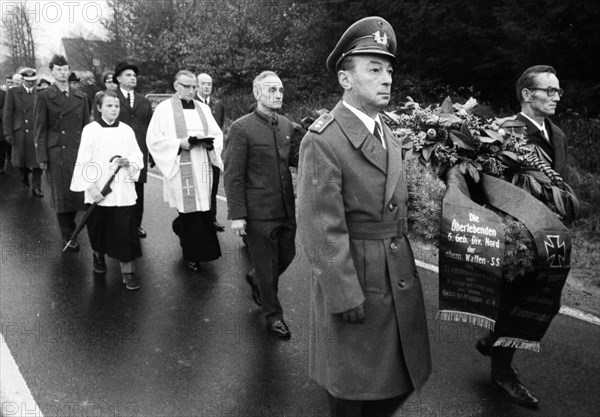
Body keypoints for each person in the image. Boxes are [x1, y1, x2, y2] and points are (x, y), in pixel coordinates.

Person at [296, 17, 431, 416]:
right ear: (345, 78)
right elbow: (320, 227)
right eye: (374, 69)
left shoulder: (386, 132)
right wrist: (342, 294)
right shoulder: (324, 140)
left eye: (389, 69)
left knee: (394, 382)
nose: (387, 78)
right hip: (358, 276)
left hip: (395, 272)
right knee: (354, 389)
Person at [474, 65, 568, 408]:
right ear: (528, 95)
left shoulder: (557, 134)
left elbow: (561, 184)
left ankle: (494, 340)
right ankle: (502, 373)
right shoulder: (503, 131)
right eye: (550, 90)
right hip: (518, 232)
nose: (557, 96)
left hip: (551, 232)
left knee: (548, 298)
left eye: (558, 90)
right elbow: (490, 184)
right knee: (518, 298)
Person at [223, 70, 296, 339]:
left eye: (280, 90)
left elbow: (294, 160)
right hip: (258, 213)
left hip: (286, 209)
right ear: (257, 93)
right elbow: (233, 174)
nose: (278, 95)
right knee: (267, 268)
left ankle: (256, 279)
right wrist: (238, 215)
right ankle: (273, 315)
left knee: (288, 255)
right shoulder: (241, 128)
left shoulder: (287, 125)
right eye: (271, 90)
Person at [146, 70, 222, 271]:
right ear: (175, 86)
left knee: (204, 211)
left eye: (194, 86)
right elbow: (154, 139)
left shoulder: (203, 109)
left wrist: (210, 144)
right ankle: (191, 254)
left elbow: (217, 133)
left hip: (202, 164)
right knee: (189, 213)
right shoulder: (164, 109)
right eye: (187, 86)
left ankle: (205, 251)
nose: (191, 90)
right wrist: (180, 143)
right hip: (181, 166)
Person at [71, 90, 144, 290]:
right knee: (98, 228)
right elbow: (84, 160)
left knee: (125, 232)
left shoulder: (126, 130)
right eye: (109, 106)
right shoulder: (91, 130)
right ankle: (99, 258)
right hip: (98, 191)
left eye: (117, 106)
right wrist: (91, 187)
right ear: (99, 108)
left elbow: (138, 157)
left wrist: (129, 162)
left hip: (122, 190)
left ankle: (128, 273)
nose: (114, 109)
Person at [34, 54, 90, 251]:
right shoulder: (44, 96)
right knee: (61, 194)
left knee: (77, 193)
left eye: (65, 69)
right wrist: (41, 156)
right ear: (51, 72)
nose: (63, 73)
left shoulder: (81, 97)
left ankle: (71, 229)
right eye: (58, 69)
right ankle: (68, 235)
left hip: (77, 150)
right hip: (56, 151)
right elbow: (40, 129)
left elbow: (86, 127)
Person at [111, 63, 153, 238]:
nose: (133, 77)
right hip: (117, 153)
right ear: (119, 79)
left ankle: (136, 225)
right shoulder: (110, 100)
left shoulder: (144, 101)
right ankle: (118, 226)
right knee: (117, 188)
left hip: (139, 153)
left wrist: (152, 154)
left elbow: (151, 130)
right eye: (128, 75)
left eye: (134, 75)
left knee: (138, 190)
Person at [3, 67, 44, 196]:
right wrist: (8, 133)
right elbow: (7, 113)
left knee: (38, 160)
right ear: (22, 80)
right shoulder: (13, 92)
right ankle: (24, 178)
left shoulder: (41, 93)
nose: (30, 83)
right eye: (27, 81)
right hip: (20, 132)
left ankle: (37, 186)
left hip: (36, 132)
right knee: (22, 160)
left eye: (33, 80)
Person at [196, 73, 226, 232]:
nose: (207, 87)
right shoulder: (191, 103)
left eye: (209, 84)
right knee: (199, 185)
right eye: (203, 84)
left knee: (213, 186)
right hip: (198, 151)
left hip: (214, 152)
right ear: (197, 85)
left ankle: (212, 218)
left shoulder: (218, 105)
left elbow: (219, 128)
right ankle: (199, 220)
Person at [0, 87, 8, 174]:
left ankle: (1, 166)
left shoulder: (3, 94)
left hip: (1, 127)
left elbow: (6, 110)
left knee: (2, 148)